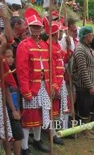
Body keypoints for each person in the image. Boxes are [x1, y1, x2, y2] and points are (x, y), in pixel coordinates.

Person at [16, 8, 53, 154]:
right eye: (34, 27)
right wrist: (25, 91)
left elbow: (50, 67)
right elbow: (22, 71)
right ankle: (25, 148)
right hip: (31, 87)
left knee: (41, 114)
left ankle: (37, 141)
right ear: (29, 28)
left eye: (39, 27)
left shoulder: (45, 45)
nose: (36, 29)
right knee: (28, 118)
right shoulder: (23, 45)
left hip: (44, 85)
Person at [72, 26, 94, 139]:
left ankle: (87, 128)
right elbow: (82, 70)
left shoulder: (87, 48)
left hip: (91, 84)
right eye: (91, 35)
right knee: (84, 108)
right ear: (86, 36)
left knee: (90, 107)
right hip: (84, 86)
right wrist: (90, 86)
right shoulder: (80, 50)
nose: (93, 37)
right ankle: (84, 131)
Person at [4, 47, 24, 155]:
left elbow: (16, 93)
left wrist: (17, 109)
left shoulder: (14, 71)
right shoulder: (4, 73)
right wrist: (13, 110)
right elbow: (6, 92)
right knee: (6, 135)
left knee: (18, 134)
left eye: (12, 56)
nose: (11, 59)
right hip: (6, 107)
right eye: (8, 57)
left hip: (14, 106)